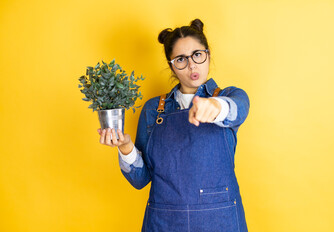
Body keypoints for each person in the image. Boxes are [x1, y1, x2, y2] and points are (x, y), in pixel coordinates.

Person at [97, 18, 250, 232]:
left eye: (197, 55)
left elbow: (238, 109)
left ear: (208, 55)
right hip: (165, 221)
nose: (191, 65)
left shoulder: (228, 97)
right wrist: (125, 147)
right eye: (180, 59)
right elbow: (141, 179)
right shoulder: (153, 110)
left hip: (219, 219)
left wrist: (215, 107)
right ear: (171, 65)